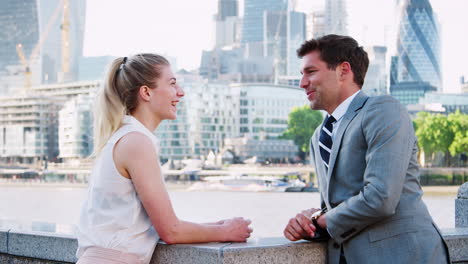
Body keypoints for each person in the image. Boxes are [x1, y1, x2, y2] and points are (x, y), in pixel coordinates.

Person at [283, 35, 450, 264]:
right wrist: (309, 223)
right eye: (302, 74)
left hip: (403, 256)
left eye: (310, 72)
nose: (302, 83)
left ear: (343, 70)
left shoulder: (382, 110)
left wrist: (320, 220)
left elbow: (380, 197)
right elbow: (336, 206)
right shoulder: (317, 137)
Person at [76, 54, 253, 264]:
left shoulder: (124, 138)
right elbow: (170, 231)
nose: (181, 92)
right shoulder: (136, 142)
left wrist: (217, 226)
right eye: (172, 84)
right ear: (146, 92)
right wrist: (225, 232)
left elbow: (146, 228)